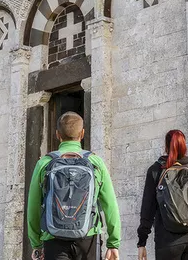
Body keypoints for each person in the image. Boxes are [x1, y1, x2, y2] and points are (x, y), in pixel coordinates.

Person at [26, 111, 121, 260]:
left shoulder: (44, 163)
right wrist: (113, 243)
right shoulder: (96, 163)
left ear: (57, 134)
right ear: (82, 133)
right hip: (88, 237)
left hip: (53, 237)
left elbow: (33, 207)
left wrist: (36, 244)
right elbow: (110, 205)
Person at [137, 130, 188, 260]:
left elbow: (147, 211)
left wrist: (142, 242)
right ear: (184, 146)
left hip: (168, 243)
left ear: (166, 146)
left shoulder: (155, 171)